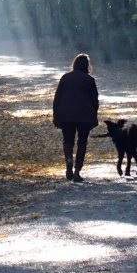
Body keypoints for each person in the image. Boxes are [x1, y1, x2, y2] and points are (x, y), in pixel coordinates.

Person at [52, 53, 99, 182]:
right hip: (84, 115)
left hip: (66, 114)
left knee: (68, 141)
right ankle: (77, 171)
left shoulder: (65, 78)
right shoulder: (90, 80)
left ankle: (68, 159)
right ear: (87, 66)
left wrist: (56, 115)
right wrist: (94, 115)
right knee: (82, 142)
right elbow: (95, 100)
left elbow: (57, 98)